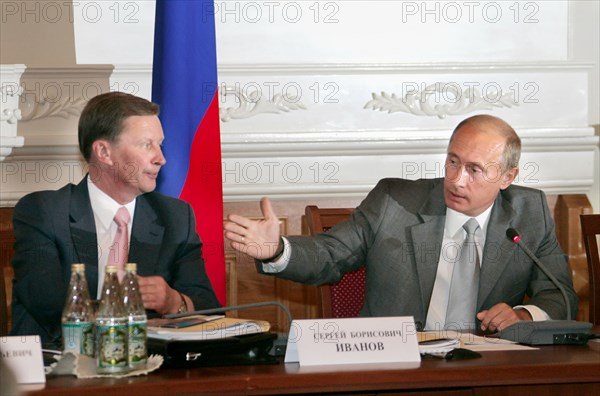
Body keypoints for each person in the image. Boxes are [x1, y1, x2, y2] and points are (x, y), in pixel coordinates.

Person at [224, 114, 578, 333]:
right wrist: (276, 250)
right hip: (395, 366)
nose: (456, 180)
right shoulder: (395, 201)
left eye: (474, 170)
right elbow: (331, 255)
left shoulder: (528, 212)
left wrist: (523, 315)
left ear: (507, 177)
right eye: (452, 162)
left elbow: (560, 296)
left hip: (486, 368)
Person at [11, 92, 220, 348]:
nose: (161, 158)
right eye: (146, 145)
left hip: (148, 372)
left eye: (160, 144)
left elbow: (212, 311)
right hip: (58, 369)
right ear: (104, 152)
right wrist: (128, 322)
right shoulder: (44, 211)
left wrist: (175, 301)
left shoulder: (175, 218)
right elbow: (48, 303)